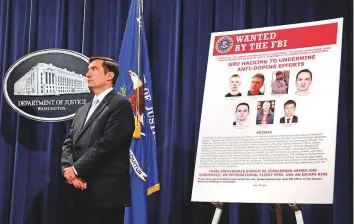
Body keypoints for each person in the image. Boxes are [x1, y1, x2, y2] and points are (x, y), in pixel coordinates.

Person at [60, 56, 135, 224]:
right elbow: (68, 143)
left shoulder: (120, 105)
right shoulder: (82, 110)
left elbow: (107, 144)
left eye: (94, 69)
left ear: (109, 76)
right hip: (77, 193)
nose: (87, 74)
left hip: (105, 196)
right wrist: (68, 170)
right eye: (88, 70)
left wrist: (76, 169)